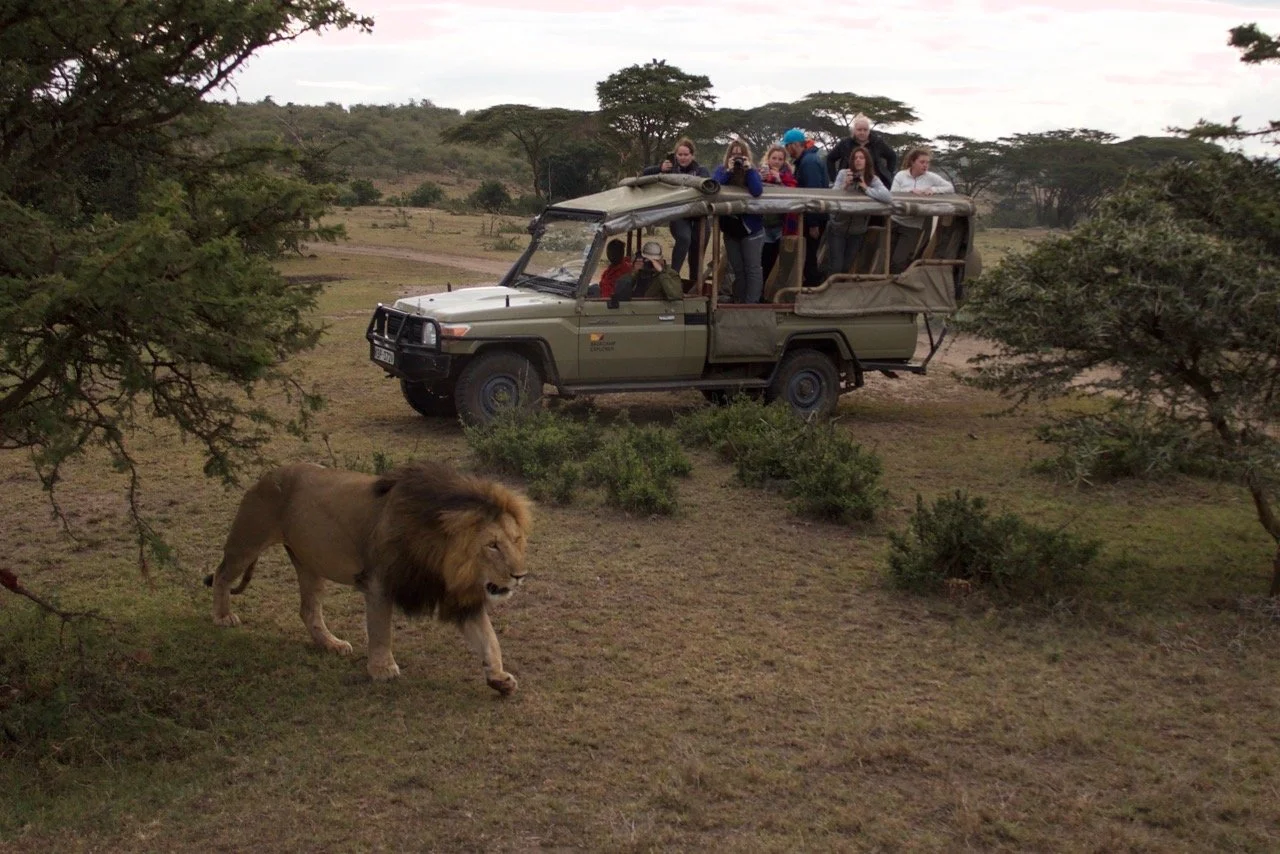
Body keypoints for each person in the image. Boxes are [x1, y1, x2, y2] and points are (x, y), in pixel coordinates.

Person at [641, 137, 710, 283]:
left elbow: (708, 186)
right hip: (679, 214)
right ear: (675, 155)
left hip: (699, 216)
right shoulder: (670, 170)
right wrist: (660, 168)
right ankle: (672, 278)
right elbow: (645, 174)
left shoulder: (701, 171)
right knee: (684, 239)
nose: (683, 158)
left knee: (697, 254)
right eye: (680, 155)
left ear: (692, 155)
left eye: (686, 154)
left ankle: (694, 286)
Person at [711, 140, 765, 303]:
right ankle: (740, 300)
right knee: (737, 269)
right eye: (734, 155)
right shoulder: (722, 170)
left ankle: (751, 303)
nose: (737, 158)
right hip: (730, 229)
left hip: (751, 229)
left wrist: (749, 170)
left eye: (740, 155)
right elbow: (714, 187)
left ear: (746, 156)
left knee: (753, 269)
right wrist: (728, 170)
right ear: (728, 156)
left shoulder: (751, 171)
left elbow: (757, 191)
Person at [826, 146, 892, 276]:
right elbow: (833, 196)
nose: (858, 160)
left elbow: (887, 197)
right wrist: (845, 185)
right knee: (836, 266)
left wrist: (866, 188)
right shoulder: (843, 174)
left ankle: (841, 287)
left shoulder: (872, 179)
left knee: (847, 266)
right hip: (838, 227)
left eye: (861, 158)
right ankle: (829, 286)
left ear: (867, 161)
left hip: (858, 230)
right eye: (855, 158)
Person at [889, 147, 955, 274]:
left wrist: (933, 190)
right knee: (887, 254)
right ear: (912, 162)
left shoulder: (930, 177)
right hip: (895, 220)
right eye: (922, 162)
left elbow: (949, 187)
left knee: (899, 259)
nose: (925, 165)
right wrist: (909, 192)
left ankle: (900, 280)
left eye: (927, 163)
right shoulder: (901, 175)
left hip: (913, 224)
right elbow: (893, 193)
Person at [782, 128, 828, 285]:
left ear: (795, 145)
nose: (787, 150)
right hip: (811, 216)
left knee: (809, 256)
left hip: (813, 218)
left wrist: (813, 223)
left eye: (787, 146)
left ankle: (812, 287)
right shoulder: (808, 160)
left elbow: (813, 193)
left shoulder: (809, 162)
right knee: (808, 254)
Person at [758, 143, 798, 285]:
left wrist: (780, 180)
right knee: (764, 261)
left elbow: (794, 192)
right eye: (774, 158)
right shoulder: (760, 172)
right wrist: (760, 178)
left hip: (782, 226)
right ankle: (761, 290)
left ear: (784, 161)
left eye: (780, 159)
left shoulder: (788, 176)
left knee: (781, 263)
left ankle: (775, 291)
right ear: (768, 159)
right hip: (764, 224)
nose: (776, 161)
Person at [827, 114, 899, 189]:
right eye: (859, 130)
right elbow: (830, 159)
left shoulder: (877, 143)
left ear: (869, 131)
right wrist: (834, 179)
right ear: (854, 130)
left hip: (874, 182)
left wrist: (888, 174)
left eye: (865, 130)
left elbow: (892, 156)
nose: (862, 132)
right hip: (849, 184)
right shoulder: (845, 144)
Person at [611, 241, 684, 303]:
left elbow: (676, 296)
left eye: (654, 260)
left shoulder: (670, 274)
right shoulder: (641, 272)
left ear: (661, 258)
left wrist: (661, 272)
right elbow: (619, 291)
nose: (650, 263)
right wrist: (634, 272)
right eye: (648, 260)